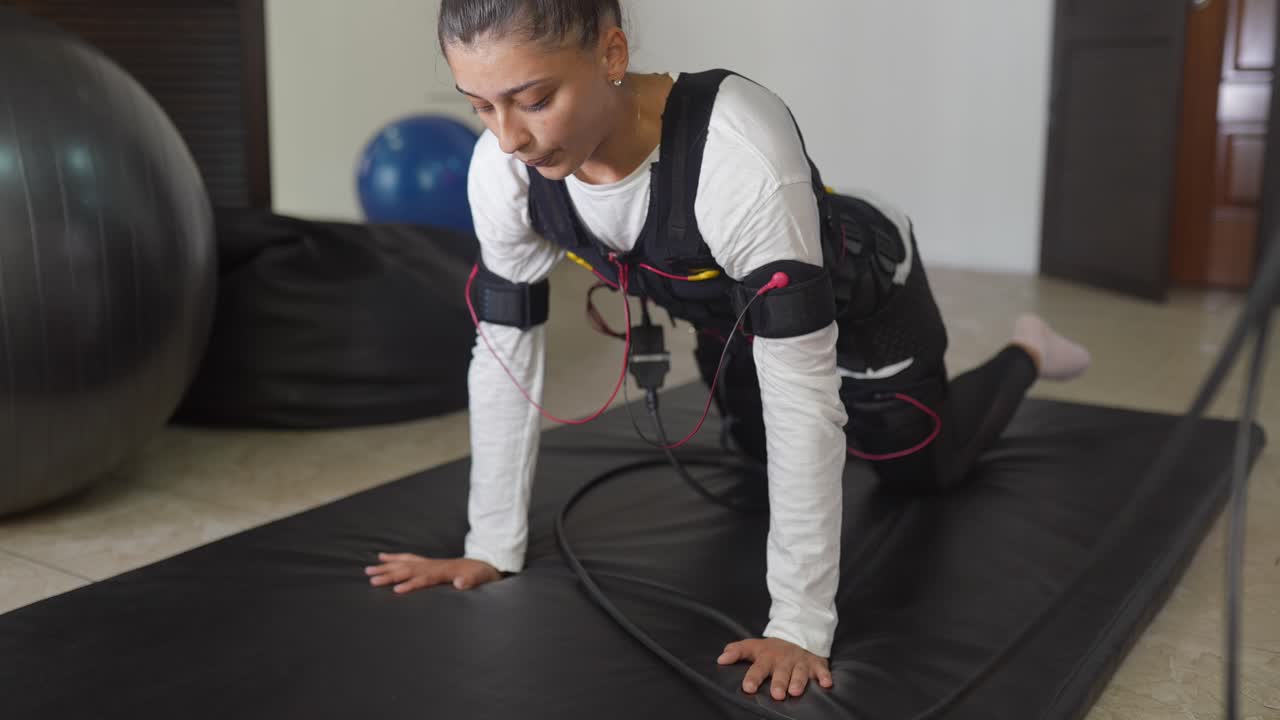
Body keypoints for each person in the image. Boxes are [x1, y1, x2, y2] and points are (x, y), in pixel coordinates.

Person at [367, 0, 1092, 703]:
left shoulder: (735, 147)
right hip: (732, 316)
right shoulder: (504, 173)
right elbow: (500, 352)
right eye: (480, 106)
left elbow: (805, 398)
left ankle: (1026, 350)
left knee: (918, 469)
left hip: (865, 296)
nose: (508, 138)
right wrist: (491, 546)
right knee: (753, 452)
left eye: (533, 99)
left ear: (612, 55)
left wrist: (800, 625)